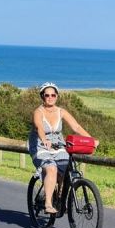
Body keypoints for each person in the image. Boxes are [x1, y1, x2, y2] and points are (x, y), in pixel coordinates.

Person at [28, 82, 97, 214]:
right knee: (52, 169)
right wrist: (44, 140)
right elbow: (39, 127)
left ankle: (59, 198)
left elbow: (76, 127)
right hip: (40, 146)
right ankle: (48, 204)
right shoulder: (38, 112)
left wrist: (91, 140)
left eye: (53, 95)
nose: (50, 97)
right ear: (42, 96)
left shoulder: (61, 112)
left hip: (59, 146)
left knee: (67, 171)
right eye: (47, 95)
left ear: (57, 96)